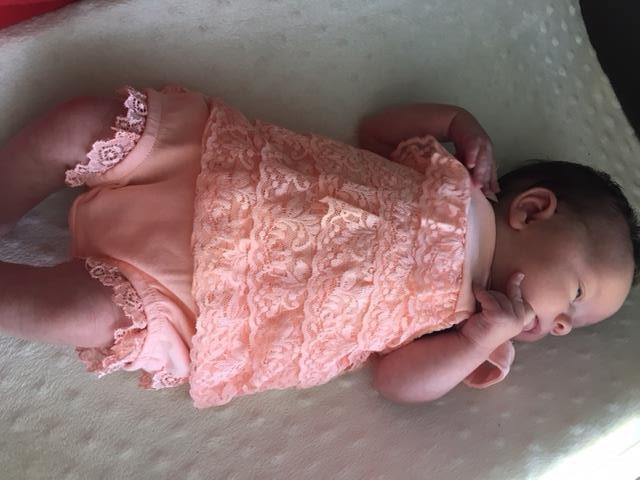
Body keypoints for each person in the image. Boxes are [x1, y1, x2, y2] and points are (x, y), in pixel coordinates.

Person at [0, 85, 636, 408]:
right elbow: (376, 131)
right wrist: (454, 123)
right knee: (87, 124)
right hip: (221, 172)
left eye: (568, 327)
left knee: (79, 312)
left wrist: (476, 340)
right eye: (576, 295)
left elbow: (398, 381)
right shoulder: (458, 182)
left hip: (208, 299)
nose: (558, 325)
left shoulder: (477, 326)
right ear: (531, 210)